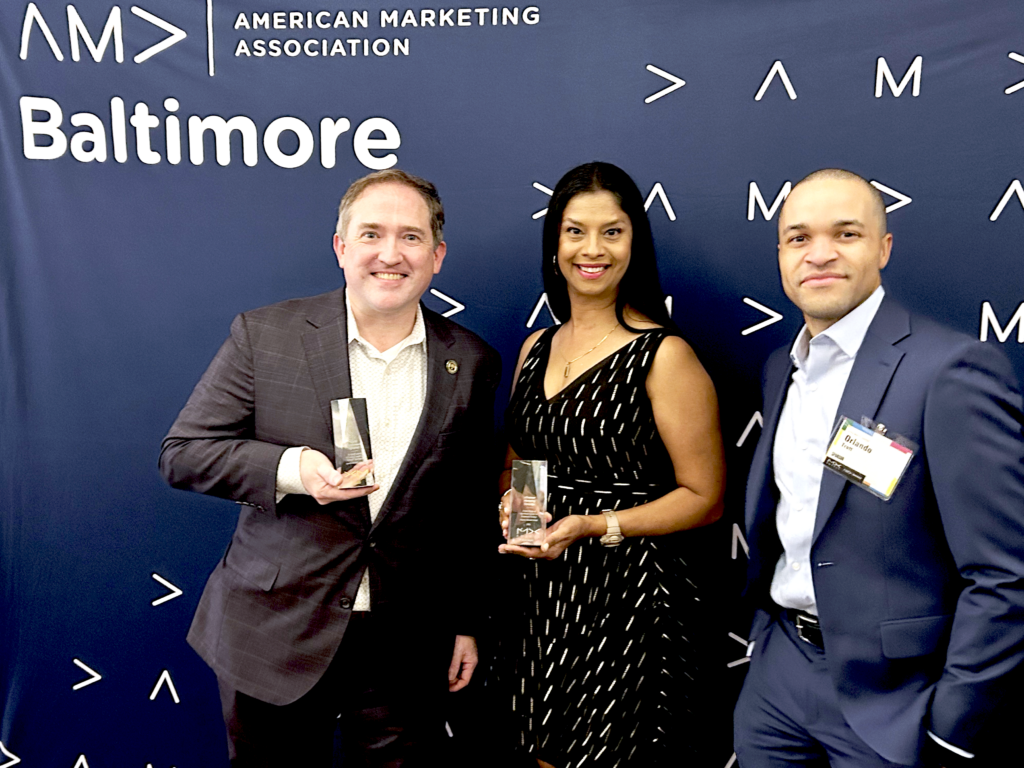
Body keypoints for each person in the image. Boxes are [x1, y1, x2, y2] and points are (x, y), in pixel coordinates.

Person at [159, 169, 500, 767]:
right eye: (371, 234)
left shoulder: (471, 360)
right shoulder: (264, 335)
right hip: (277, 630)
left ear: (437, 256)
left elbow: (467, 506)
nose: (390, 254)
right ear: (341, 247)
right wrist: (292, 469)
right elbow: (184, 452)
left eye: (411, 237)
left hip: (405, 643)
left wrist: (466, 622)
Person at [734, 168, 1024, 767]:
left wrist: (953, 725)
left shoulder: (949, 371)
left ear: (883, 248)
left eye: (846, 234)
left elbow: (1005, 573)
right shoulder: (778, 369)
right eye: (798, 238)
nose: (819, 255)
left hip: (893, 702)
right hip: (779, 673)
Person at [495, 161, 726, 767]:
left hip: (629, 601)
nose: (591, 250)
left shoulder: (664, 355)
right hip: (541, 591)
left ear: (634, 244)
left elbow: (705, 497)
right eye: (575, 231)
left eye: (611, 232)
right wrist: (518, 518)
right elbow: (524, 460)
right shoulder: (534, 348)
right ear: (554, 246)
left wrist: (595, 526)